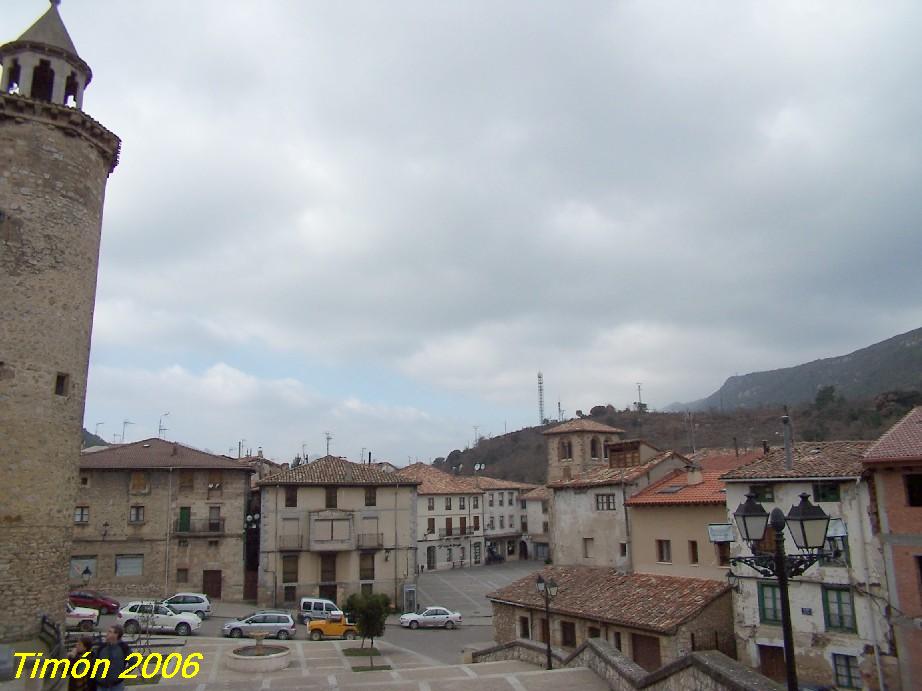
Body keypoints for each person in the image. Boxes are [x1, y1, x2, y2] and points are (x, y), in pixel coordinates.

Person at [94, 626, 131, 691]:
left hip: (116, 685)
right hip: (101, 685)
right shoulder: (102, 647)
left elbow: (134, 661)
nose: (107, 634)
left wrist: (122, 674)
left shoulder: (123, 647)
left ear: (116, 635)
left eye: (110, 632)